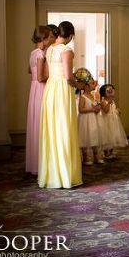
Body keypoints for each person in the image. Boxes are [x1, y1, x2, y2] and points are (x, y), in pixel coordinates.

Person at [38, 20, 83, 188]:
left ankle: (52, 174)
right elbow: (68, 77)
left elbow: (45, 75)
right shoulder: (67, 50)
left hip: (50, 90)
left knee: (52, 129)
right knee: (64, 128)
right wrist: (80, 86)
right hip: (62, 91)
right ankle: (65, 175)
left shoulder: (49, 49)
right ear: (70, 35)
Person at [25, 25, 51, 174]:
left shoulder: (33, 53)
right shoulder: (41, 54)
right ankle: (41, 163)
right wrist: (52, 75)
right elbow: (41, 77)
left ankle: (34, 162)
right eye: (48, 37)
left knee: (35, 122)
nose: (50, 40)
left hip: (33, 88)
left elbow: (30, 70)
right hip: (40, 88)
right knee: (41, 123)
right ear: (44, 38)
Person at [74, 67, 103, 166]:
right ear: (85, 86)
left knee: (94, 136)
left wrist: (98, 107)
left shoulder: (93, 96)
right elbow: (81, 109)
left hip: (93, 119)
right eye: (91, 84)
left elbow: (96, 104)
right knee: (86, 138)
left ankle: (96, 156)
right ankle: (86, 157)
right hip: (86, 120)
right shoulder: (82, 97)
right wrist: (92, 109)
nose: (93, 85)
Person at [98, 83, 128, 159]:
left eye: (112, 90)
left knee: (113, 137)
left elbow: (113, 109)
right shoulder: (103, 102)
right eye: (108, 91)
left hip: (114, 122)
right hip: (106, 122)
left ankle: (111, 152)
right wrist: (108, 103)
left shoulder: (113, 102)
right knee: (106, 138)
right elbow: (106, 110)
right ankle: (105, 153)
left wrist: (117, 111)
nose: (111, 92)